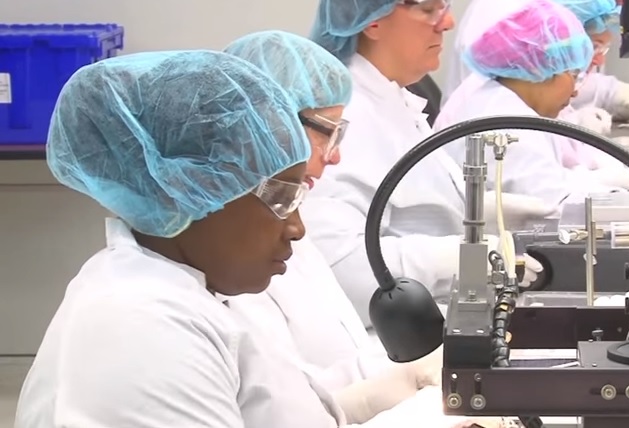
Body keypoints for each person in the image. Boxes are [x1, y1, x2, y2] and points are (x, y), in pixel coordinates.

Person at [13, 50, 493, 428]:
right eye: (280, 199)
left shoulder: (200, 290)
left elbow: (285, 411)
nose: (298, 228)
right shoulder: (140, 326)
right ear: (196, 191)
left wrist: (396, 390)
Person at [223, 30, 442, 421]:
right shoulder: (228, 254)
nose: (336, 156)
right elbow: (273, 408)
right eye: (328, 131)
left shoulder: (285, 224)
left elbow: (331, 357)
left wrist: (412, 370)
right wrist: (369, 402)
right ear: (266, 125)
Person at [305, 0, 551, 330]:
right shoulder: (345, 116)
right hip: (389, 340)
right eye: (429, 9)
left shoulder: (395, 99)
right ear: (373, 22)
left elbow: (417, 203)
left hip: (436, 317)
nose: (447, 23)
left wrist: (491, 212)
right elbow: (342, 269)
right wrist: (460, 257)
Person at [436, 0, 626, 206]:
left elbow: (554, 180)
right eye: (574, 75)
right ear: (541, 68)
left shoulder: (503, 100)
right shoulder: (507, 123)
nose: (576, 92)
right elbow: (554, 201)